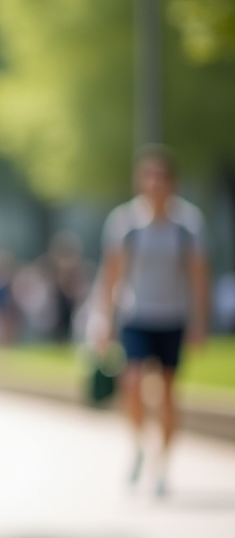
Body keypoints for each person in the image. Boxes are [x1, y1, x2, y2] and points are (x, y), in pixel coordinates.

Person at [95, 145, 209, 497]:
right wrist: (104, 319)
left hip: (172, 316)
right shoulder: (125, 222)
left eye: (161, 177)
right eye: (149, 177)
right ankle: (139, 445)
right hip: (136, 315)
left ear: (172, 182)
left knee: (169, 393)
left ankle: (163, 466)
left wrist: (199, 321)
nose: (155, 184)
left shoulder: (188, 223)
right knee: (131, 382)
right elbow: (111, 275)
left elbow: (198, 277)